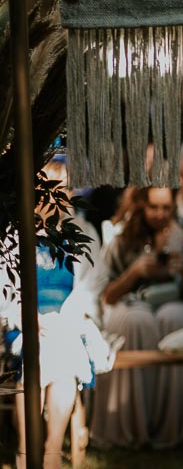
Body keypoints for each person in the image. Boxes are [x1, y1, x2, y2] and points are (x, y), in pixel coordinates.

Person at [90, 186, 183, 448]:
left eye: (166, 208)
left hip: (177, 302)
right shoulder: (123, 236)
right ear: (141, 205)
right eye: (154, 207)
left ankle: (173, 427)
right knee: (137, 321)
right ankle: (131, 427)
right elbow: (107, 296)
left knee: (175, 318)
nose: (160, 214)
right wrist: (134, 273)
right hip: (129, 304)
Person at [2, 183, 107, 469]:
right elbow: (5, 290)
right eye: (43, 193)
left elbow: (92, 286)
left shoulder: (83, 232)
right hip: (24, 324)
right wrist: (28, 316)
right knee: (44, 346)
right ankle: (32, 450)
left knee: (59, 342)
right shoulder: (13, 234)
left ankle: (46, 450)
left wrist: (65, 318)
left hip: (69, 322)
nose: (51, 200)